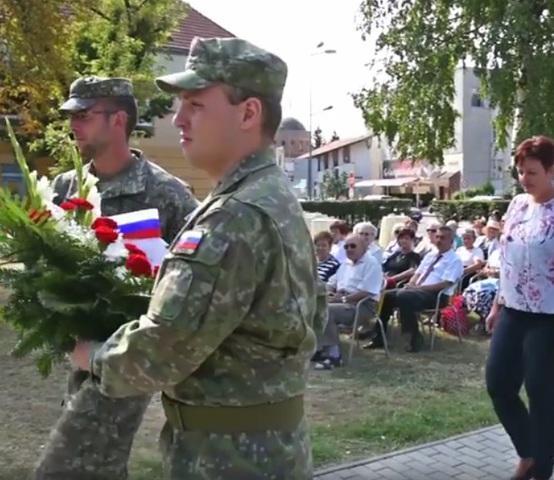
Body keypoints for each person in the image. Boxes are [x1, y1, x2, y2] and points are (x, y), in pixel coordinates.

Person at [69, 37, 324, 479]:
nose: (179, 118)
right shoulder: (271, 196)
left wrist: (92, 357)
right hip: (262, 448)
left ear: (248, 113)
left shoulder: (236, 214)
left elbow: (163, 348)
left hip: (229, 459)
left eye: (196, 104)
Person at [37, 76, 198, 480]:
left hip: (129, 352)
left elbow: (195, 274)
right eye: (71, 115)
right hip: (78, 348)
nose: (73, 123)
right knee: (95, 460)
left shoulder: (168, 193)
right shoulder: (65, 186)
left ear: (118, 119)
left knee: (76, 462)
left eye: (84, 115)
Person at [484, 135, 554, 480]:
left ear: (552, 170)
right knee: (499, 386)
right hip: (513, 311)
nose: (525, 179)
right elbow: (510, 259)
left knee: (541, 396)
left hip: (552, 318)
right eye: (520, 171)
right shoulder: (517, 204)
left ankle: (541, 471)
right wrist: (498, 305)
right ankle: (528, 453)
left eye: (532, 172)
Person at [371, 225, 463, 352]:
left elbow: (445, 284)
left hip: (437, 295)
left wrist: (420, 288)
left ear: (451, 241)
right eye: (437, 237)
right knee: (388, 295)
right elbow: (417, 273)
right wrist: (412, 284)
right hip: (417, 291)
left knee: (405, 297)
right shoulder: (430, 255)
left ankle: (413, 337)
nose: (439, 240)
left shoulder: (455, 260)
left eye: (443, 238)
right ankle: (378, 336)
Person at [314, 234, 384, 368]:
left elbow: (367, 292)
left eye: (353, 246)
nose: (349, 249)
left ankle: (334, 356)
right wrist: (325, 292)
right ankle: (320, 349)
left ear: (363, 247)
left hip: (363, 306)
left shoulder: (372, 264)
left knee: (327, 311)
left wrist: (343, 298)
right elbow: (331, 282)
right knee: (315, 305)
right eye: (346, 246)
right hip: (344, 302)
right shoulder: (345, 264)